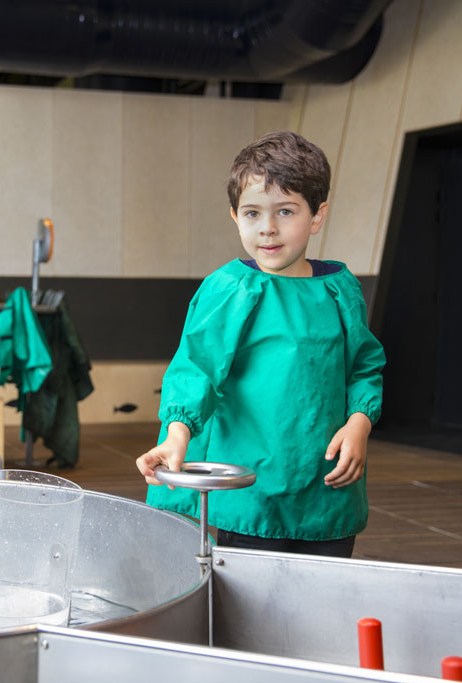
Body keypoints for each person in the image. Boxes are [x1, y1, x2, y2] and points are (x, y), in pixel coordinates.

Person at [135, 131, 385, 558]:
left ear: (317, 216)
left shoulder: (341, 291)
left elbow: (364, 367)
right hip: (246, 488)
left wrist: (359, 424)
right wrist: (177, 434)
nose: (267, 228)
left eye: (285, 211)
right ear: (235, 215)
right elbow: (197, 368)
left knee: (319, 604)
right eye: (252, 213)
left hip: (325, 487)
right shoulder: (230, 289)